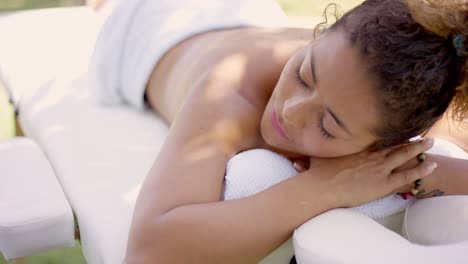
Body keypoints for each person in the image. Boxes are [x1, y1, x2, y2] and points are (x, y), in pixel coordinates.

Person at [90, 0, 468, 263]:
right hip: (143, 25)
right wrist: (326, 187)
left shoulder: (389, 95)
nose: (290, 111)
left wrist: (403, 171)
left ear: (385, 145)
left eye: (328, 125)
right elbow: (150, 251)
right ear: (316, 38)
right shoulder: (229, 89)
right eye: (303, 75)